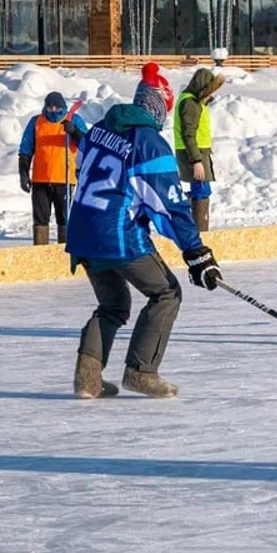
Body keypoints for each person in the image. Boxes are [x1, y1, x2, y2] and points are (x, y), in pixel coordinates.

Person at [65, 79, 223, 400]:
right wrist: (196, 252)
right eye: (164, 109)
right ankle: (141, 371)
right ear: (157, 108)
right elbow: (169, 204)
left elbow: (84, 168)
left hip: (82, 230)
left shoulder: (98, 130)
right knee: (166, 293)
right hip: (118, 235)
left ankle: (88, 379)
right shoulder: (148, 142)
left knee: (112, 304)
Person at [18, 91, 88, 245]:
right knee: (40, 218)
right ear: (45, 107)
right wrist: (23, 173)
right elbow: (26, 149)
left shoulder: (74, 120)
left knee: (64, 218)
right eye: (50, 109)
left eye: (57, 109)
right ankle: (40, 250)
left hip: (64, 179)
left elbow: (88, 144)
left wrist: (75, 132)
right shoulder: (36, 122)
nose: (54, 112)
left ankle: (64, 250)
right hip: (40, 179)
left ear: (63, 107)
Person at [173, 67, 224, 232]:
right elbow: (189, 134)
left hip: (198, 153)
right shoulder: (190, 103)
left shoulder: (193, 101)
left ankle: (189, 218)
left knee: (200, 190)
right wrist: (196, 161)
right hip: (194, 154)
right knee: (202, 191)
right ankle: (199, 233)